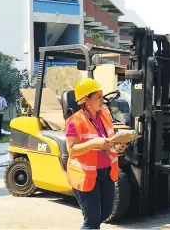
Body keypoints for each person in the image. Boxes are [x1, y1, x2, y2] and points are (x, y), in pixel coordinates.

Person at [65, 78, 126, 229]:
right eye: (98, 97)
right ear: (86, 100)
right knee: (92, 221)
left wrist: (118, 146)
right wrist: (94, 144)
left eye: (102, 96)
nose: (102, 100)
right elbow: (71, 149)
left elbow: (108, 140)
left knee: (106, 213)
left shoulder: (105, 115)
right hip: (86, 175)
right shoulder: (75, 121)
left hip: (106, 172)